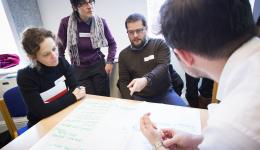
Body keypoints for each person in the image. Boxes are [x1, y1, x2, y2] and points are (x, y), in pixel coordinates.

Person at [140, 0, 260, 149]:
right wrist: (200, 140)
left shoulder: (231, 124)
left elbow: (234, 133)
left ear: (184, 56)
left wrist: (157, 143)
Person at [17, 28, 86, 127]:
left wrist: (53, 106)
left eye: (54, 49)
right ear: (33, 57)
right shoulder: (25, 76)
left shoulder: (62, 62)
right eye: (46, 54)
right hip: (41, 124)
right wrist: (73, 96)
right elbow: (41, 112)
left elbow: (77, 88)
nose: (54, 56)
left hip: (65, 114)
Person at [118, 13, 186, 106]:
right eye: (131, 32)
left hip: (164, 94)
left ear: (146, 29)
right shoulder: (123, 55)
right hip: (140, 97)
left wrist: (146, 80)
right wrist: (130, 101)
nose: (135, 35)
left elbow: (163, 67)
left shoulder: (159, 44)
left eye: (139, 30)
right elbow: (123, 82)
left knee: (183, 112)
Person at [58, 0, 117, 96]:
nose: (89, 6)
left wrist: (110, 61)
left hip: (98, 67)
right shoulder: (65, 23)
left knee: (104, 100)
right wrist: (67, 70)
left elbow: (112, 44)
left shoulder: (101, 22)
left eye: (91, 2)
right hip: (79, 69)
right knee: (89, 101)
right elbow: (59, 52)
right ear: (75, 7)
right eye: (84, 3)